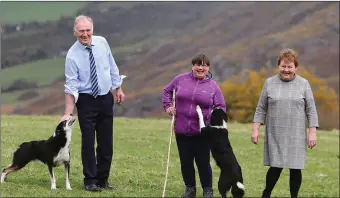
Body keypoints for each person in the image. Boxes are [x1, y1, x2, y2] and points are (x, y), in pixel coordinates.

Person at [60, 15, 126, 192]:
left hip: (105, 98)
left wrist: (118, 88)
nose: (85, 34)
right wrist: (68, 110)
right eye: (81, 31)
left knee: (106, 142)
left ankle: (103, 179)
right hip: (87, 101)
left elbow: (112, 66)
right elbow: (71, 84)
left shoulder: (102, 42)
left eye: (88, 30)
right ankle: (90, 180)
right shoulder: (72, 55)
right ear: (75, 32)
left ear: (92, 29)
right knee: (88, 142)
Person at [251, 48, 318, 198]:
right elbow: (261, 108)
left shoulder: (304, 84)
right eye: (283, 66)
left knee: (295, 168)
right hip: (275, 133)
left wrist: (312, 132)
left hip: (296, 133)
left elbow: (311, 109)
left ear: (295, 67)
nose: (286, 70)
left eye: (289, 67)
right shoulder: (269, 83)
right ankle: (266, 193)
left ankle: (294, 196)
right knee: (275, 167)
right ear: (278, 66)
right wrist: (255, 129)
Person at [162, 54, 226, 198]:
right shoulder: (180, 79)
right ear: (193, 66)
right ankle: (190, 189)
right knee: (186, 161)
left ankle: (207, 191)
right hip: (181, 129)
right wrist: (168, 106)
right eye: (198, 64)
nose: (201, 68)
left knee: (203, 162)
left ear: (208, 68)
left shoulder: (213, 86)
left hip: (202, 132)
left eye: (204, 65)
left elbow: (221, 107)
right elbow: (166, 91)